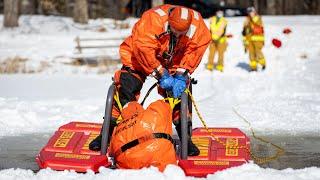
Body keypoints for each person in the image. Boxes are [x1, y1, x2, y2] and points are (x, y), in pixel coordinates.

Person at [89, 4, 211, 156]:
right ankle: (106, 135)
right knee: (127, 86)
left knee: (180, 94)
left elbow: (194, 51)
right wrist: (161, 74)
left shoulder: (199, 27)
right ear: (169, 23)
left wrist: (181, 74)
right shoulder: (152, 20)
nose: (179, 36)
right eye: (175, 32)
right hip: (139, 56)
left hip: (175, 59)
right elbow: (143, 49)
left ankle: (186, 139)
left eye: (183, 33)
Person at [110, 100, 177, 171]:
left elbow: (111, 151)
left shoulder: (117, 129)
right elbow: (166, 106)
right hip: (160, 164)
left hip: (127, 167)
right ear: (140, 108)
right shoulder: (153, 113)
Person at [242, 7, 266, 71]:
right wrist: (245, 42)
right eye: (249, 12)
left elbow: (258, 25)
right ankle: (253, 67)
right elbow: (244, 32)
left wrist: (252, 19)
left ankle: (263, 63)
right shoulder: (246, 20)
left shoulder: (258, 18)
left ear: (254, 12)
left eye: (252, 12)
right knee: (251, 54)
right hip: (249, 40)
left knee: (258, 52)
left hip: (257, 39)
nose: (251, 13)